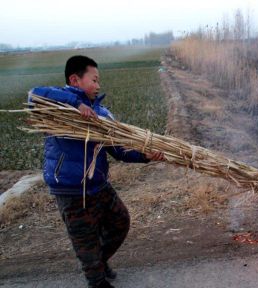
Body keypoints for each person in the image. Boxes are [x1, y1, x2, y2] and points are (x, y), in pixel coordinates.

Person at [29, 55, 164, 288]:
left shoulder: (101, 114)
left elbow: (119, 151)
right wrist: (75, 103)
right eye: (94, 79)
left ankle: (97, 264)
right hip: (71, 188)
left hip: (98, 183)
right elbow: (33, 94)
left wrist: (145, 156)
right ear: (74, 80)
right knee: (85, 240)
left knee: (120, 222)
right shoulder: (57, 104)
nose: (98, 85)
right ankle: (96, 280)